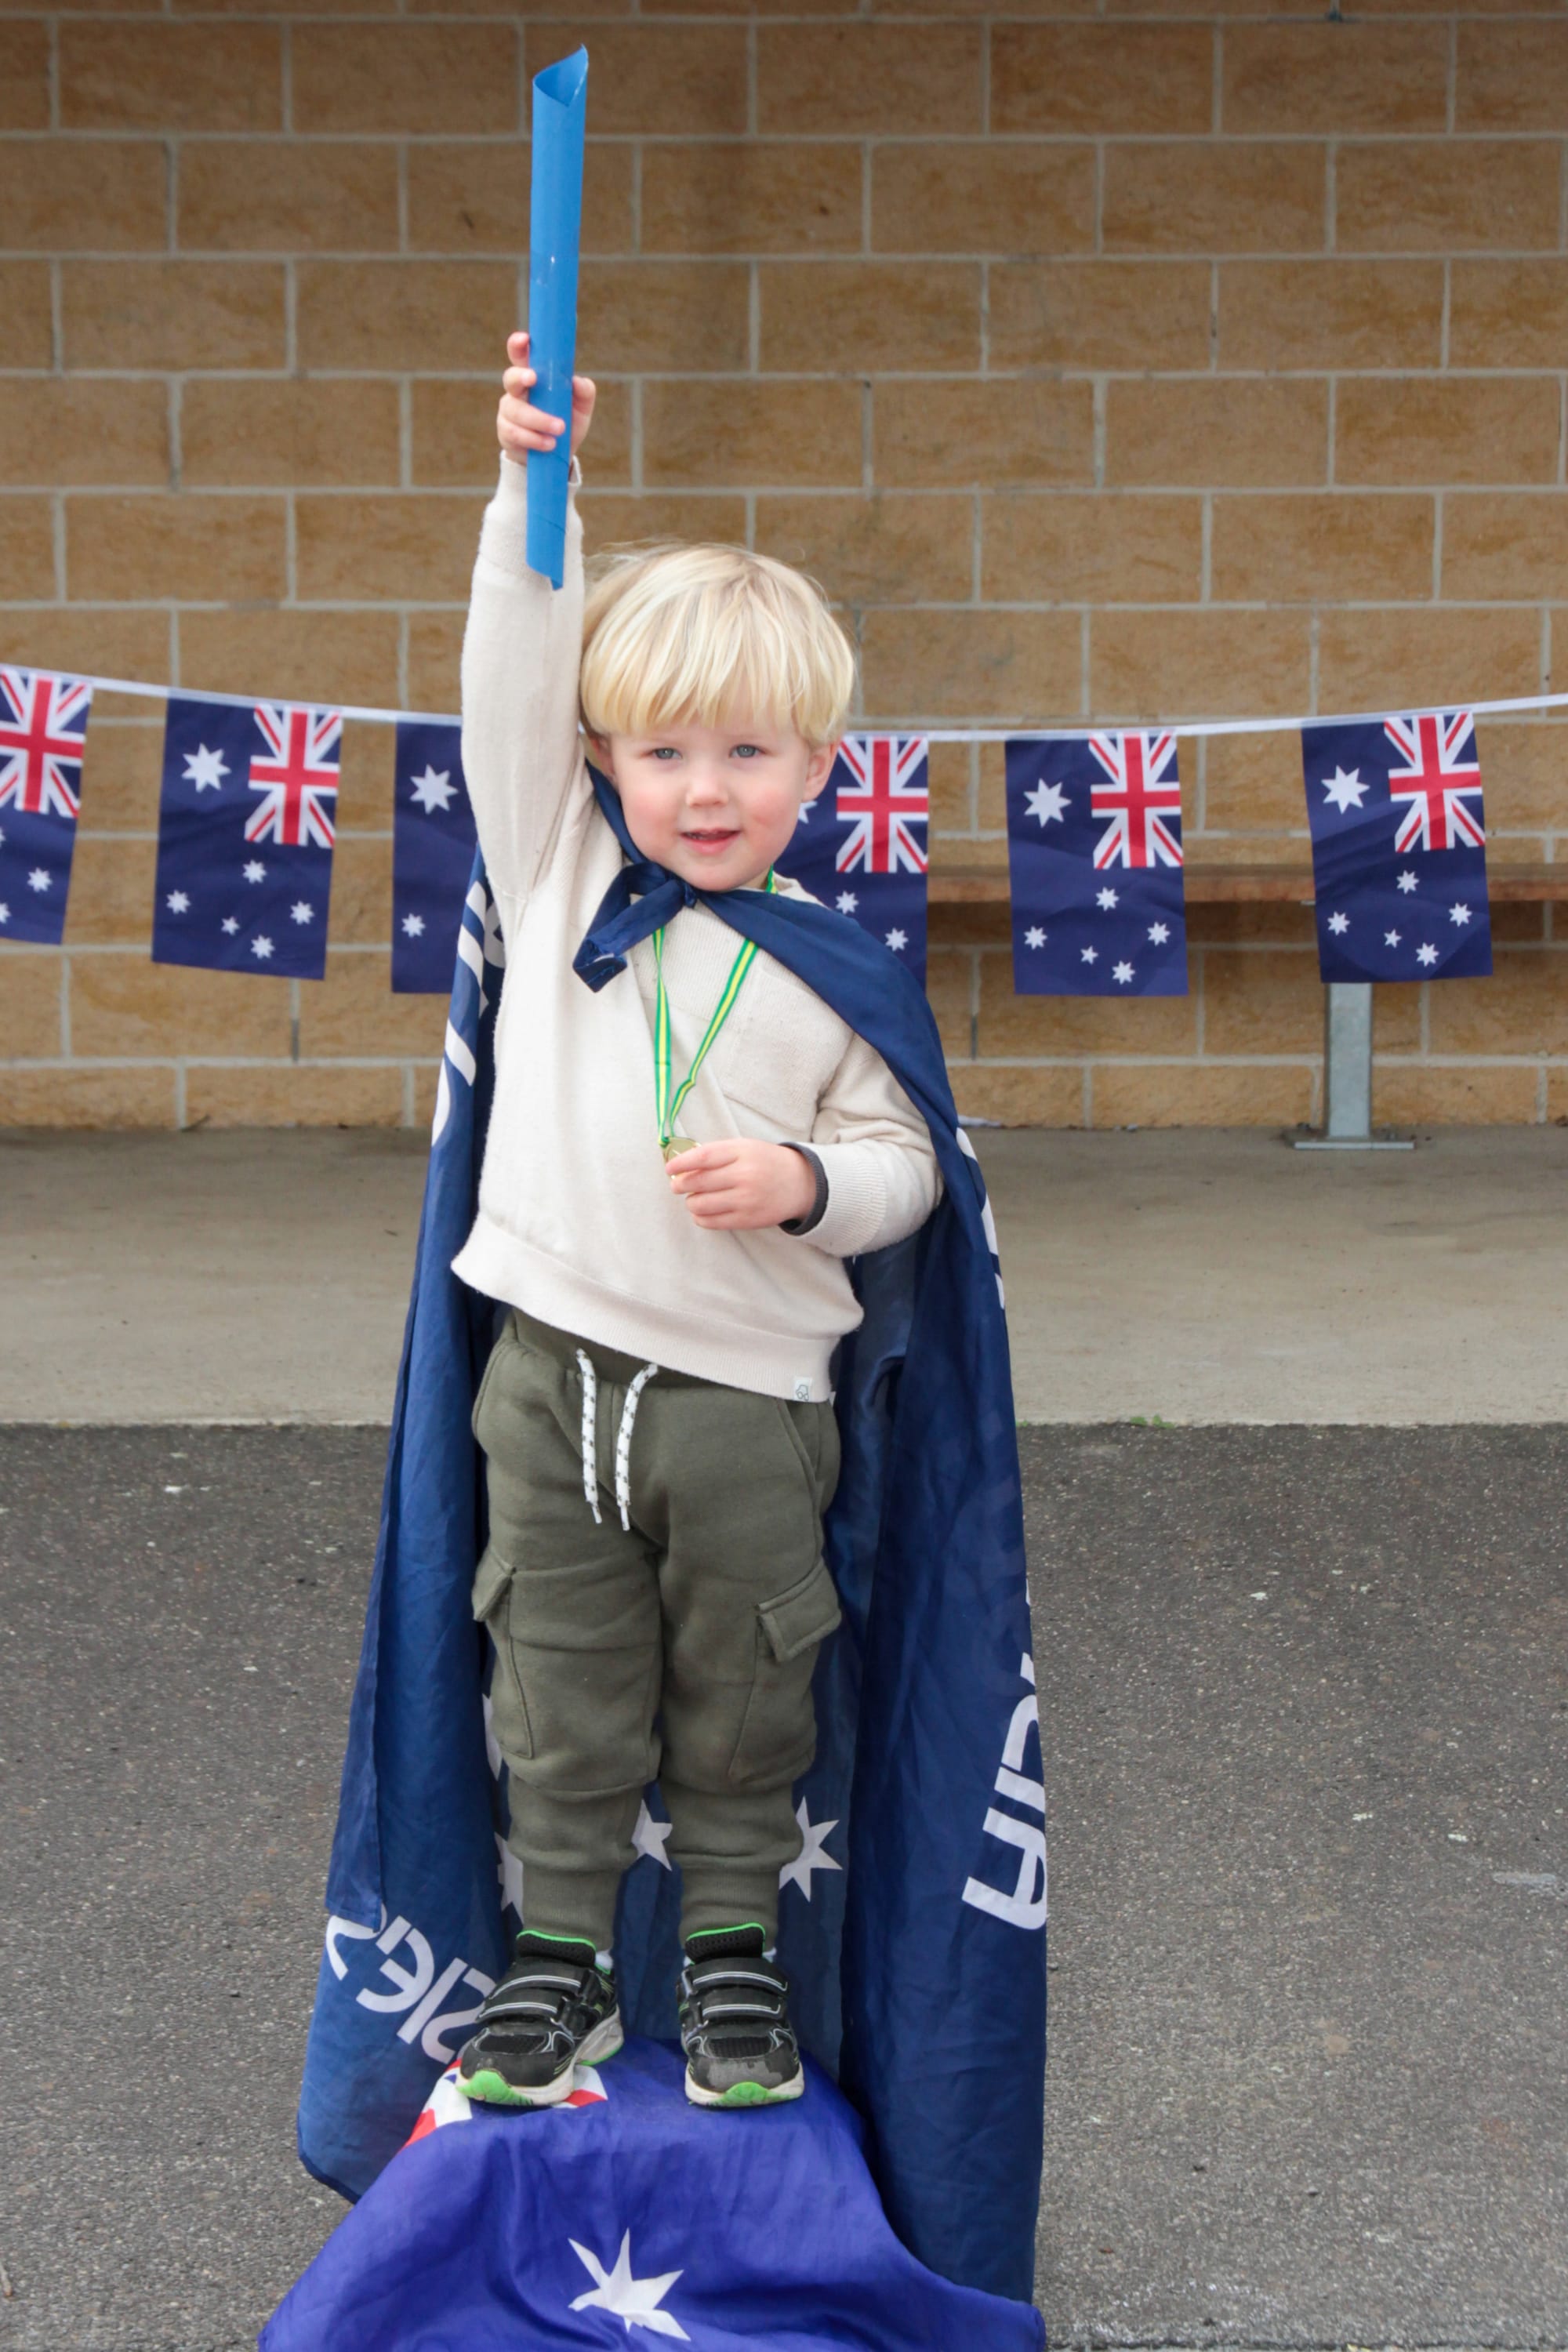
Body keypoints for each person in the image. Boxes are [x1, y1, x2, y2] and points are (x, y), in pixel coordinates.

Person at [451, 331, 942, 2115]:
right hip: (552, 1381)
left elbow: (905, 1164)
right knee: (561, 1683)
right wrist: (531, 486)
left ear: (819, 764)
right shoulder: (560, 870)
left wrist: (810, 1187)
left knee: (745, 1697)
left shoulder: (839, 965)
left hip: (747, 1406)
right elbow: (508, 677)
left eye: (750, 750)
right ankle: (559, 1960)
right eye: (663, 749)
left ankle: (734, 1956)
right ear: (600, 757)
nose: (707, 787)